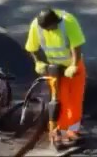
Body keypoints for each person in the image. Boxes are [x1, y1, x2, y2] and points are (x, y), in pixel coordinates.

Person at [25, 8, 87, 147]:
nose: (51, 30)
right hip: (54, 68)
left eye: (53, 27)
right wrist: (38, 62)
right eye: (49, 28)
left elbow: (76, 47)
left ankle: (73, 131)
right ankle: (58, 131)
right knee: (59, 100)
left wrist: (74, 65)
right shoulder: (36, 26)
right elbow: (31, 48)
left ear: (56, 22)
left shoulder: (68, 22)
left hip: (73, 67)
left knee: (75, 100)